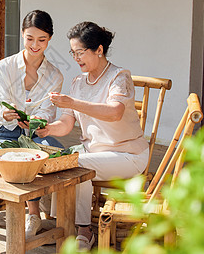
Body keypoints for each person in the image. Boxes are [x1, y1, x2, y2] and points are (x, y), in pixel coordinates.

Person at [36, 21, 149, 250]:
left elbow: (114, 112)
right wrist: (48, 129)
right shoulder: (78, 82)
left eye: (80, 52)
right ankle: (62, 224)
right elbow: (67, 122)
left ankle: (85, 231)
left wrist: (73, 102)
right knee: (57, 159)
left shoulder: (119, 77)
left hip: (127, 155)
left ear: (99, 49)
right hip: (95, 153)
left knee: (78, 164)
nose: (76, 58)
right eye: (73, 52)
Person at [0, 10, 64, 238]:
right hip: (4, 131)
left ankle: (56, 215)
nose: (35, 45)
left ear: (49, 38)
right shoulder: (5, 66)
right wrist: (7, 113)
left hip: (34, 133)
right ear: (22, 35)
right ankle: (34, 216)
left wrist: (35, 122)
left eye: (41, 39)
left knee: (58, 155)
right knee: (18, 161)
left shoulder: (55, 75)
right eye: (30, 38)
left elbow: (47, 113)